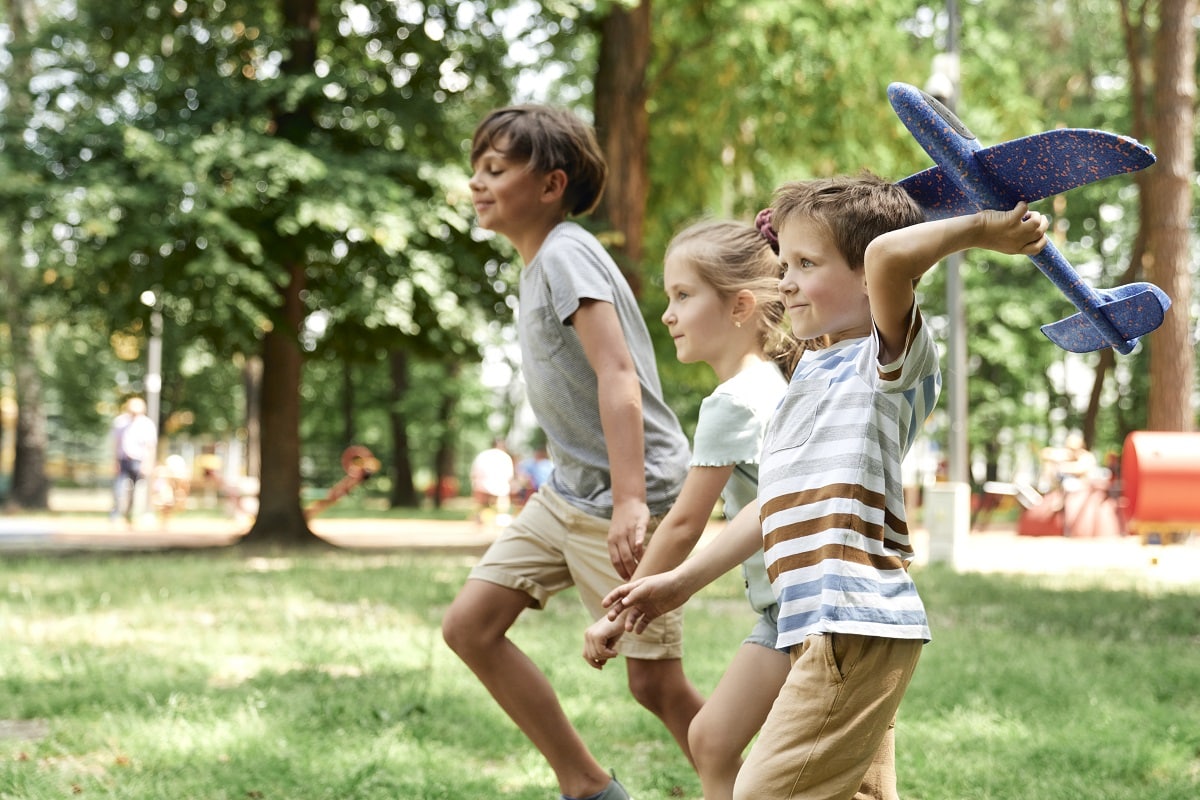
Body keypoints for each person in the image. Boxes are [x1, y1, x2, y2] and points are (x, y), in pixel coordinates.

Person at [604, 175, 1050, 800]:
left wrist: (983, 229)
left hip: (852, 624)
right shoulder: (811, 371)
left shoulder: (888, 362)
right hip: (822, 626)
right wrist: (675, 583)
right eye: (784, 264)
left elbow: (887, 256)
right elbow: (773, 505)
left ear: (870, 283)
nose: (784, 281)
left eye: (805, 265)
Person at [440, 104, 703, 800]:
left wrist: (628, 502)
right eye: (476, 169)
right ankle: (587, 787)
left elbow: (616, 373)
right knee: (471, 627)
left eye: (496, 168)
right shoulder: (538, 264)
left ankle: (758, 791)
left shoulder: (565, 252)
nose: (477, 182)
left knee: (654, 683)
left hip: (628, 490)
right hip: (567, 492)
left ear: (550, 185)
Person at [581, 218, 798, 800]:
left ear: (740, 306)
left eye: (683, 296)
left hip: (798, 615)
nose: (668, 315)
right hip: (787, 610)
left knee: (719, 743)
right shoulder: (776, 384)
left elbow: (682, 523)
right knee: (709, 739)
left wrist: (618, 614)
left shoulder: (734, 401)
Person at [110, 396, 157, 527]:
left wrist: (148, 463)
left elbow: (150, 447)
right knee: (120, 489)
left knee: (139, 490)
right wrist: (115, 461)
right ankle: (118, 514)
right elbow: (116, 443)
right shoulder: (120, 422)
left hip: (139, 460)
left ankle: (136, 515)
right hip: (123, 459)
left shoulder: (147, 424)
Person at [470, 438, 516, 527]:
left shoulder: (482, 455)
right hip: (499, 486)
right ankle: (501, 516)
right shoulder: (505, 457)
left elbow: (474, 472)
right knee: (503, 498)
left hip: (482, 485)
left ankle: (479, 517)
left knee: (481, 502)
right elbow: (509, 476)